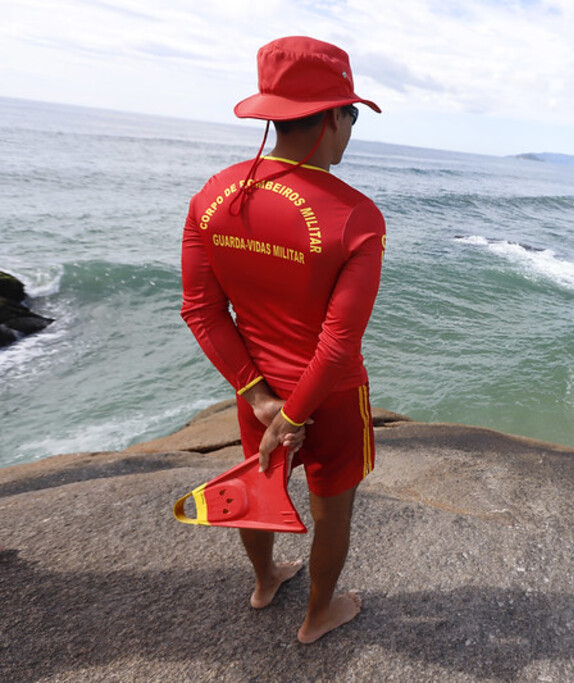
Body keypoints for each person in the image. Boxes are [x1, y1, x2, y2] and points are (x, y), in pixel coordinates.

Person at [180, 36, 385, 644]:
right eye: (350, 114)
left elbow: (202, 310)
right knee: (331, 510)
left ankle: (266, 580)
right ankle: (318, 614)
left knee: (261, 480)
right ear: (328, 118)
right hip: (329, 398)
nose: (351, 128)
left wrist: (264, 400)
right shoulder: (357, 218)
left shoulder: (214, 194)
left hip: (256, 387)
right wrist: (297, 413)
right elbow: (339, 342)